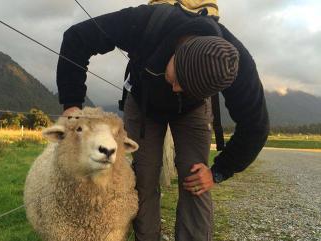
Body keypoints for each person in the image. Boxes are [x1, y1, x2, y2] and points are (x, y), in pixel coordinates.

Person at [57, 3, 269, 241]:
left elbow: (256, 127)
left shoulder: (237, 66)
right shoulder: (144, 23)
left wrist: (218, 171)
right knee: (143, 179)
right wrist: (72, 105)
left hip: (193, 110)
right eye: (177, 78)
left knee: (196, 179)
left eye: (186, 88)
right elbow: (76, 38)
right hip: (143, 102)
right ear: (178, 51)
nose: (176, 89)